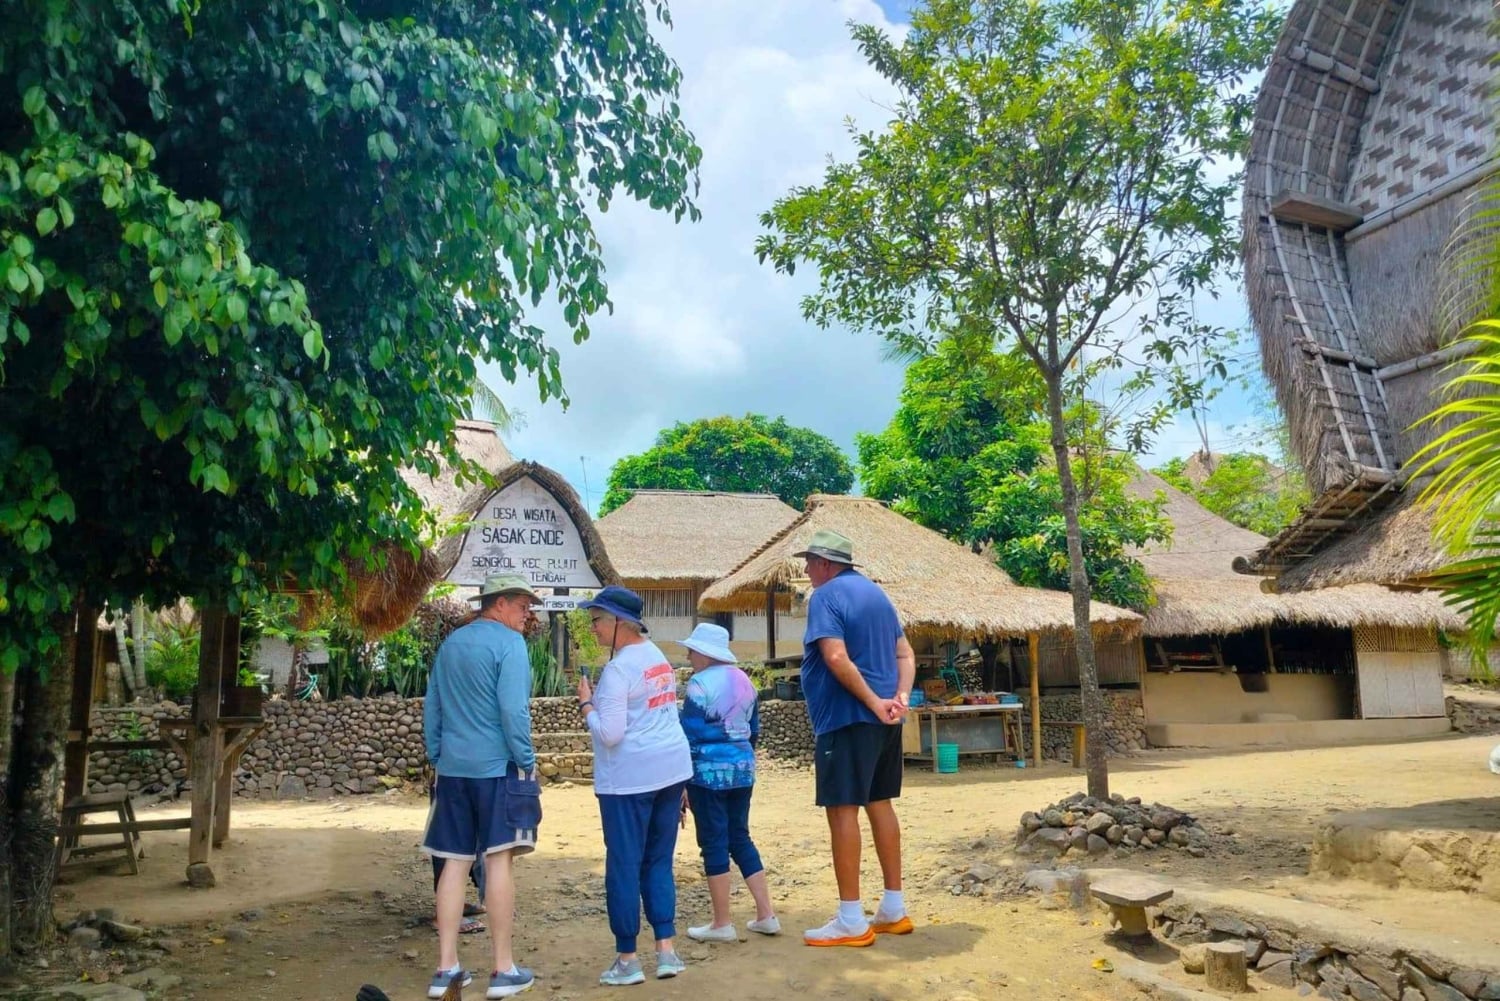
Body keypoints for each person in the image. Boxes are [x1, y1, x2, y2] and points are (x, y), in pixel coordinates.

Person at [422, 573, 544, 999]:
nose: (527, 615)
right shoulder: (510, 646)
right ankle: (503, 969)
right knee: (498, 862)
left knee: (453, 863)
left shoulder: (451, 644)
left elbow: (432, 705)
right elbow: (514, 711)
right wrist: (526, 760)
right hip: (497, 769)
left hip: (453, 770)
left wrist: (437, 755)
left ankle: (446, 968)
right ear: (500, 604)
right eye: (523, 607)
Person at [793, 528, 916, 948]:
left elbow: (835, 656)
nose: (806, 569)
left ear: (827, 564)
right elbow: (905, 654)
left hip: (846, 719)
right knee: (879, 802)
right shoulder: (879, 597)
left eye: (809, 562)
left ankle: (850, 918)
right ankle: (893, 908)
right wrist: (897, 698)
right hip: (884, 723)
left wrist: (871, 701)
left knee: (842, 809)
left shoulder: (826, 597)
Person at [576, 585, 694, 986]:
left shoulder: (618, 669)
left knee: (624, 865)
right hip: (670, 769)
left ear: (618, 623)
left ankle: (627, 957)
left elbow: (610, 734)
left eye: (596, 620)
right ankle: (666, 950)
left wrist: (587, 706)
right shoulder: (657, 657)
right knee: (658, 861)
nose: (592, 628)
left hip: (629, 779)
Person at [675, 623, 780, 942]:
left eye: (692, 650)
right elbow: (755, 729)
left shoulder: (698, 684)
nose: (689, 654)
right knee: (740, 836)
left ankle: (722, 922)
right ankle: (766, 914)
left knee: (713, 841)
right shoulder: (744, 680)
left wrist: (681, 779)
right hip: (742, 767)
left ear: (706, 654)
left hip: (707, 772)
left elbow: (688, 734)